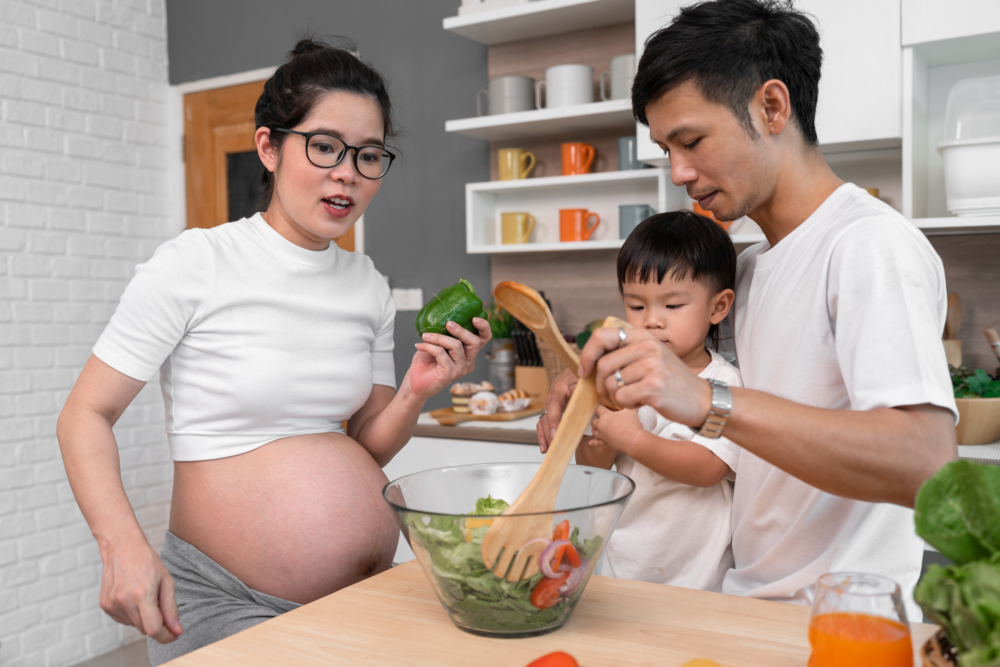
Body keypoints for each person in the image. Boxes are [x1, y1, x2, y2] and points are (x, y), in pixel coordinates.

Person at [56, 39, 491, 664]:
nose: (347, 173)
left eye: (369, 155)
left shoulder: (367, 284)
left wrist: (416, 390)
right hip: (228, 598)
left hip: (362, 597)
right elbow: (84, 415)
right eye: (325, 146)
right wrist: (120, 544)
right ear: (269, 147)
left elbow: (365, 445)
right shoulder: (196, 263)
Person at [539, 0, 956, 618]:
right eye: (666, 149)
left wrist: (706, 402)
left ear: (772, 107)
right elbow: (697, 373)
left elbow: (925, 463)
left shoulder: (869, 244)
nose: (679, 172)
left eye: (691, 141)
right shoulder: (751, 269)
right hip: (746, 602)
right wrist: (591, 388)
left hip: (836, 620)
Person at [573, 211, 743, 592]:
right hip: (621, 565)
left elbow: (708, 468)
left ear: (718, 307)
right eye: (636, 306)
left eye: (672, 306)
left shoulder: (722, 384)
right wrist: (604, 435)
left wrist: (633, 439)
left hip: (695, 580)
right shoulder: (616, 375)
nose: (651, 321)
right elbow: (589, 466)